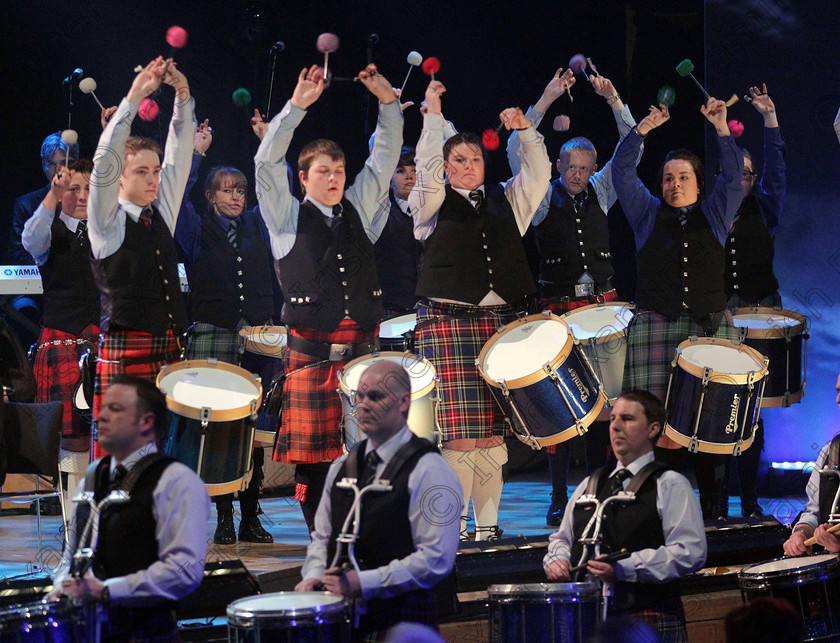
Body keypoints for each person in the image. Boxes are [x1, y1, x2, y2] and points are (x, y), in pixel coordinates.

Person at [255, 64, 402, 532]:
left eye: (339, 170)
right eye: (324, 171)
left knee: (371, 457)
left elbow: (383, 159)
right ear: (303, 178)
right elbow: (264, 164)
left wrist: (389, 105)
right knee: (316, 465)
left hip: (362, 358)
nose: (334, 178)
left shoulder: (358, 209)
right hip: (311, 362)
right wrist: (296, 107)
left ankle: (363, 539)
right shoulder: (284, 218)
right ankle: (323, 543)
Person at [408, 79, 551, 540]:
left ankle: (486, 530)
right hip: (447, 324)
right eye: (458, 161)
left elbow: (540, 174)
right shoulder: (427, 204)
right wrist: (432, 115)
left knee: (491, 436)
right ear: (446, 167)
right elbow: (428, 170)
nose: (468, 168)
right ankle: (449, 530)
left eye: (474, 160)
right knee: (457, 435)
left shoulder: (507, 199)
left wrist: (526, 130)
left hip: (500, 328)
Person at [507, 68, 642, 526]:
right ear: (559, 167)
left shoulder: (604, 191)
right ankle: (559, 495)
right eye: (572, 169)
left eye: (586, 169)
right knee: (563, 407)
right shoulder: (542, 196)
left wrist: (614, 99)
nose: (579, 176)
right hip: (558, 313)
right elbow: (518, 154)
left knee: (607, 406)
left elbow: (631, 148)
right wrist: (543, 102)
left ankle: (603, 487)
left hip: (604, 310)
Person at [612, 96, 744, 518]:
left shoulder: (717, 212)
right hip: (657, 326)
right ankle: (657, 519)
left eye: (683, 177)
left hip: (710, 329)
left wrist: (722, 129)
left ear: (699, 184)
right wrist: (642, 130)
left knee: (709, 431)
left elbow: (736, 179)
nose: (674, 185)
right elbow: (621, 172)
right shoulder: (647, 214)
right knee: (660, 430)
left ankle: (716, 518)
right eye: (668, 178)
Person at [295, 360, 461, 638]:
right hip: (344, 620)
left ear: (404, 402)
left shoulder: (431, 470)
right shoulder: (342, 466)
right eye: (359, 396)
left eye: (376, 396)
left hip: (404, 622)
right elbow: (322, 537)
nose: (363, 405)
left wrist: (364, 582)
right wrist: (313, 574)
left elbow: (435, 559)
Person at [47, 375, 210, 642]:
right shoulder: (93, 474)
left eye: (115, 409)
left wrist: (107, 590)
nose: (100, 417)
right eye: (102, 408)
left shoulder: (177, 481)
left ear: (146, 421)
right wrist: (61, 585)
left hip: (148, 634)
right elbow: (73, 554)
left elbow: (184, 569)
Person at [88, 57, 195, 458]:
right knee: (123, 463)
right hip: (125, 352)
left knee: (164, 460)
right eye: (141, 172)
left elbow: (180, 155)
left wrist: (182, 96)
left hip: (169, 351)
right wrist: (135, 97)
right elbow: (104, 160)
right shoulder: (106, 223)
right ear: (119, 178)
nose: (153, 179)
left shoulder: (160, 214)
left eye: (155, 171)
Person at [175, 120, 275, 544]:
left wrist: (269, 143)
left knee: (252, 429)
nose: (236, 196)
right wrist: (195, 155)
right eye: (227, 189)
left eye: (240, 189)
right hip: (213, 336)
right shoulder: (196, 229)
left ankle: (251, 516)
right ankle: (223, 518)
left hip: (257, 340)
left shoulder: (259, 225)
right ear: (211, 196)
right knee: (216, 429)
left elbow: (278, 195)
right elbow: (175, 198)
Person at [543, 390, 706, 642]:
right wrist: (557, 560)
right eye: (613, 419)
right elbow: (562, 539)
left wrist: (625, 568)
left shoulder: (670, 484)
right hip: (590, 620)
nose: (616, 426)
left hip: (650, 621)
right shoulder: (590, 484)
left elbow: (690, 551)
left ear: (653, 429)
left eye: (628, 419)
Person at [22, 159, 100, 508]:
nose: (82, 196)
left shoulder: (107, 232)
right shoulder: (48, 232)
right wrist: (53, 195)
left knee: (108, 436)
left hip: (102, 343)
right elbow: (29, 238)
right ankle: (73, 523)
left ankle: (101, 521)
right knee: (73, 441)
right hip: (62, 342)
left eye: (88, 189)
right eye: (74, 189)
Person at [724, 83, 786, 519]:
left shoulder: (764, 208)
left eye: (748, 173)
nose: (743, 179)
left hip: (761, 311)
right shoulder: (712, 209)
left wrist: (770, 119)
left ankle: (748, 500)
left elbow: (776, 173)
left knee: (754, 412)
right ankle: (718, 503)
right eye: (736, 172)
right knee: (722, 408)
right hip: (723, 315)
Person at [782, 373, 840, 556]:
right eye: (838, 392)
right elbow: (813, 513)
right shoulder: (831, 453)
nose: (838, 399)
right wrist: (800, 533)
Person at [8, 132, 80, 265]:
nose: (60, 170)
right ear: (44, 166)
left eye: (66, 163)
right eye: (53, 164)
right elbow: (18, 254)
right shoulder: (25, 204)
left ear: (76, 163)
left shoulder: (88, 201)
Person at [373, 146, 423, 318]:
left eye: (414, 170)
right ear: (389, 178)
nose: (409, 176)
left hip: (427, 310)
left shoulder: (431, 214)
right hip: (389, 309)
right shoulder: (380, 213)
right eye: (401, 171)